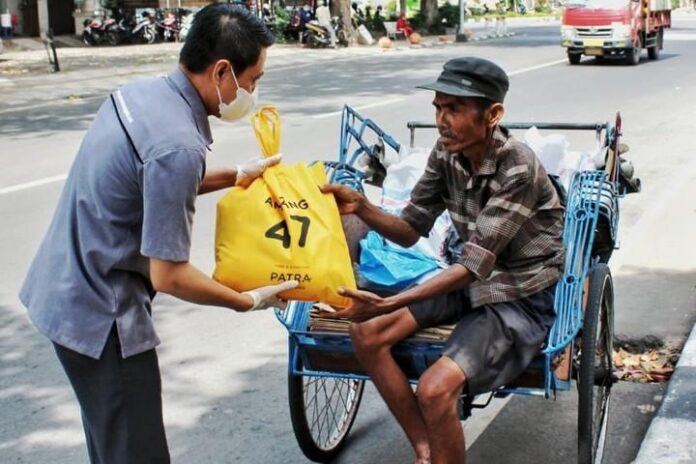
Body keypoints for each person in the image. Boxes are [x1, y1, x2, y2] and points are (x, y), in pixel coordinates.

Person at [18, 4, 297, 463]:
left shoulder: (139, 96)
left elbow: (149, 177)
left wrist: (235, 175)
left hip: (62, 288)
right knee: (136, 453)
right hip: (101, 317)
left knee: (112, 446)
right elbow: (169, 275)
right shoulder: (179, 146)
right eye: (253, 79)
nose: (253, 91)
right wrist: (247, 299)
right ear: (222, 71)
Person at [320, 57, 564, 464]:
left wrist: (390, 301)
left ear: (493, 115)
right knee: (367, 333)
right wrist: (361, 207)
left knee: (434, 389)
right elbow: (411, 228)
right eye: (437, 107)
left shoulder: (518, 165)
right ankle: (425, 448)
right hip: (465, 283)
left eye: (453, 109)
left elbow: (472, 265)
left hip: (517, 296)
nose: (441, 120)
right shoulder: (446, 153)